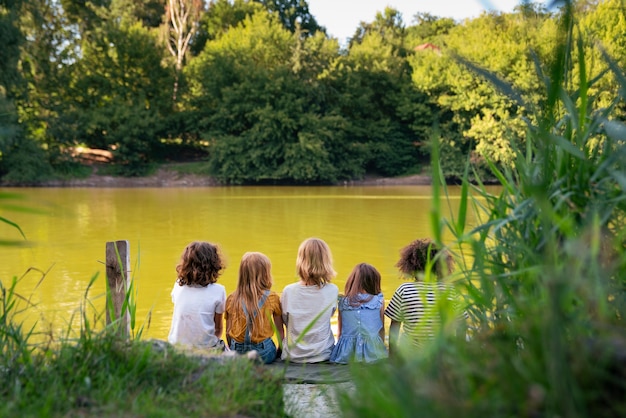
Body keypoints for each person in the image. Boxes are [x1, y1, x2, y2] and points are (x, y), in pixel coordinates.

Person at [384, 238, 463, 356]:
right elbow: (461, 325)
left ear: (411, 265)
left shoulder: (404, 290)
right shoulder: (450, 290)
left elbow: (394, 327)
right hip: (442, 354)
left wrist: (392, 355)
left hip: (411, 355)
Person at [281, 237, 338, 363]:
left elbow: (286, 321)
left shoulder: (288, 291)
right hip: (323, 354)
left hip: (293, 356)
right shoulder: (333, 290)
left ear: (300, 261)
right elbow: (330, 315)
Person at [225, 252, 285, 364]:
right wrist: (279, 352)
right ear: (266, 274)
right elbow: (280, 332)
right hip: (264, 353)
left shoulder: (231, 299)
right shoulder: (272, 298)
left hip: (237, 352)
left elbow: (228, 333)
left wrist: (233, 349)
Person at [168, 241, 227, 350]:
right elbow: (218, 328)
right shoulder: (219, 291)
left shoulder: (178, 286)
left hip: (175, 345)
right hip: (206, 347)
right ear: (214, 265)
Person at [330, 263, 388, 364]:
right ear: (374, 282)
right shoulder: (378, 300)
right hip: (373, 354)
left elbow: (340, 331)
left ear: (352, 282)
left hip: (346, 355)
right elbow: (381, 329)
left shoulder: (343, 302)